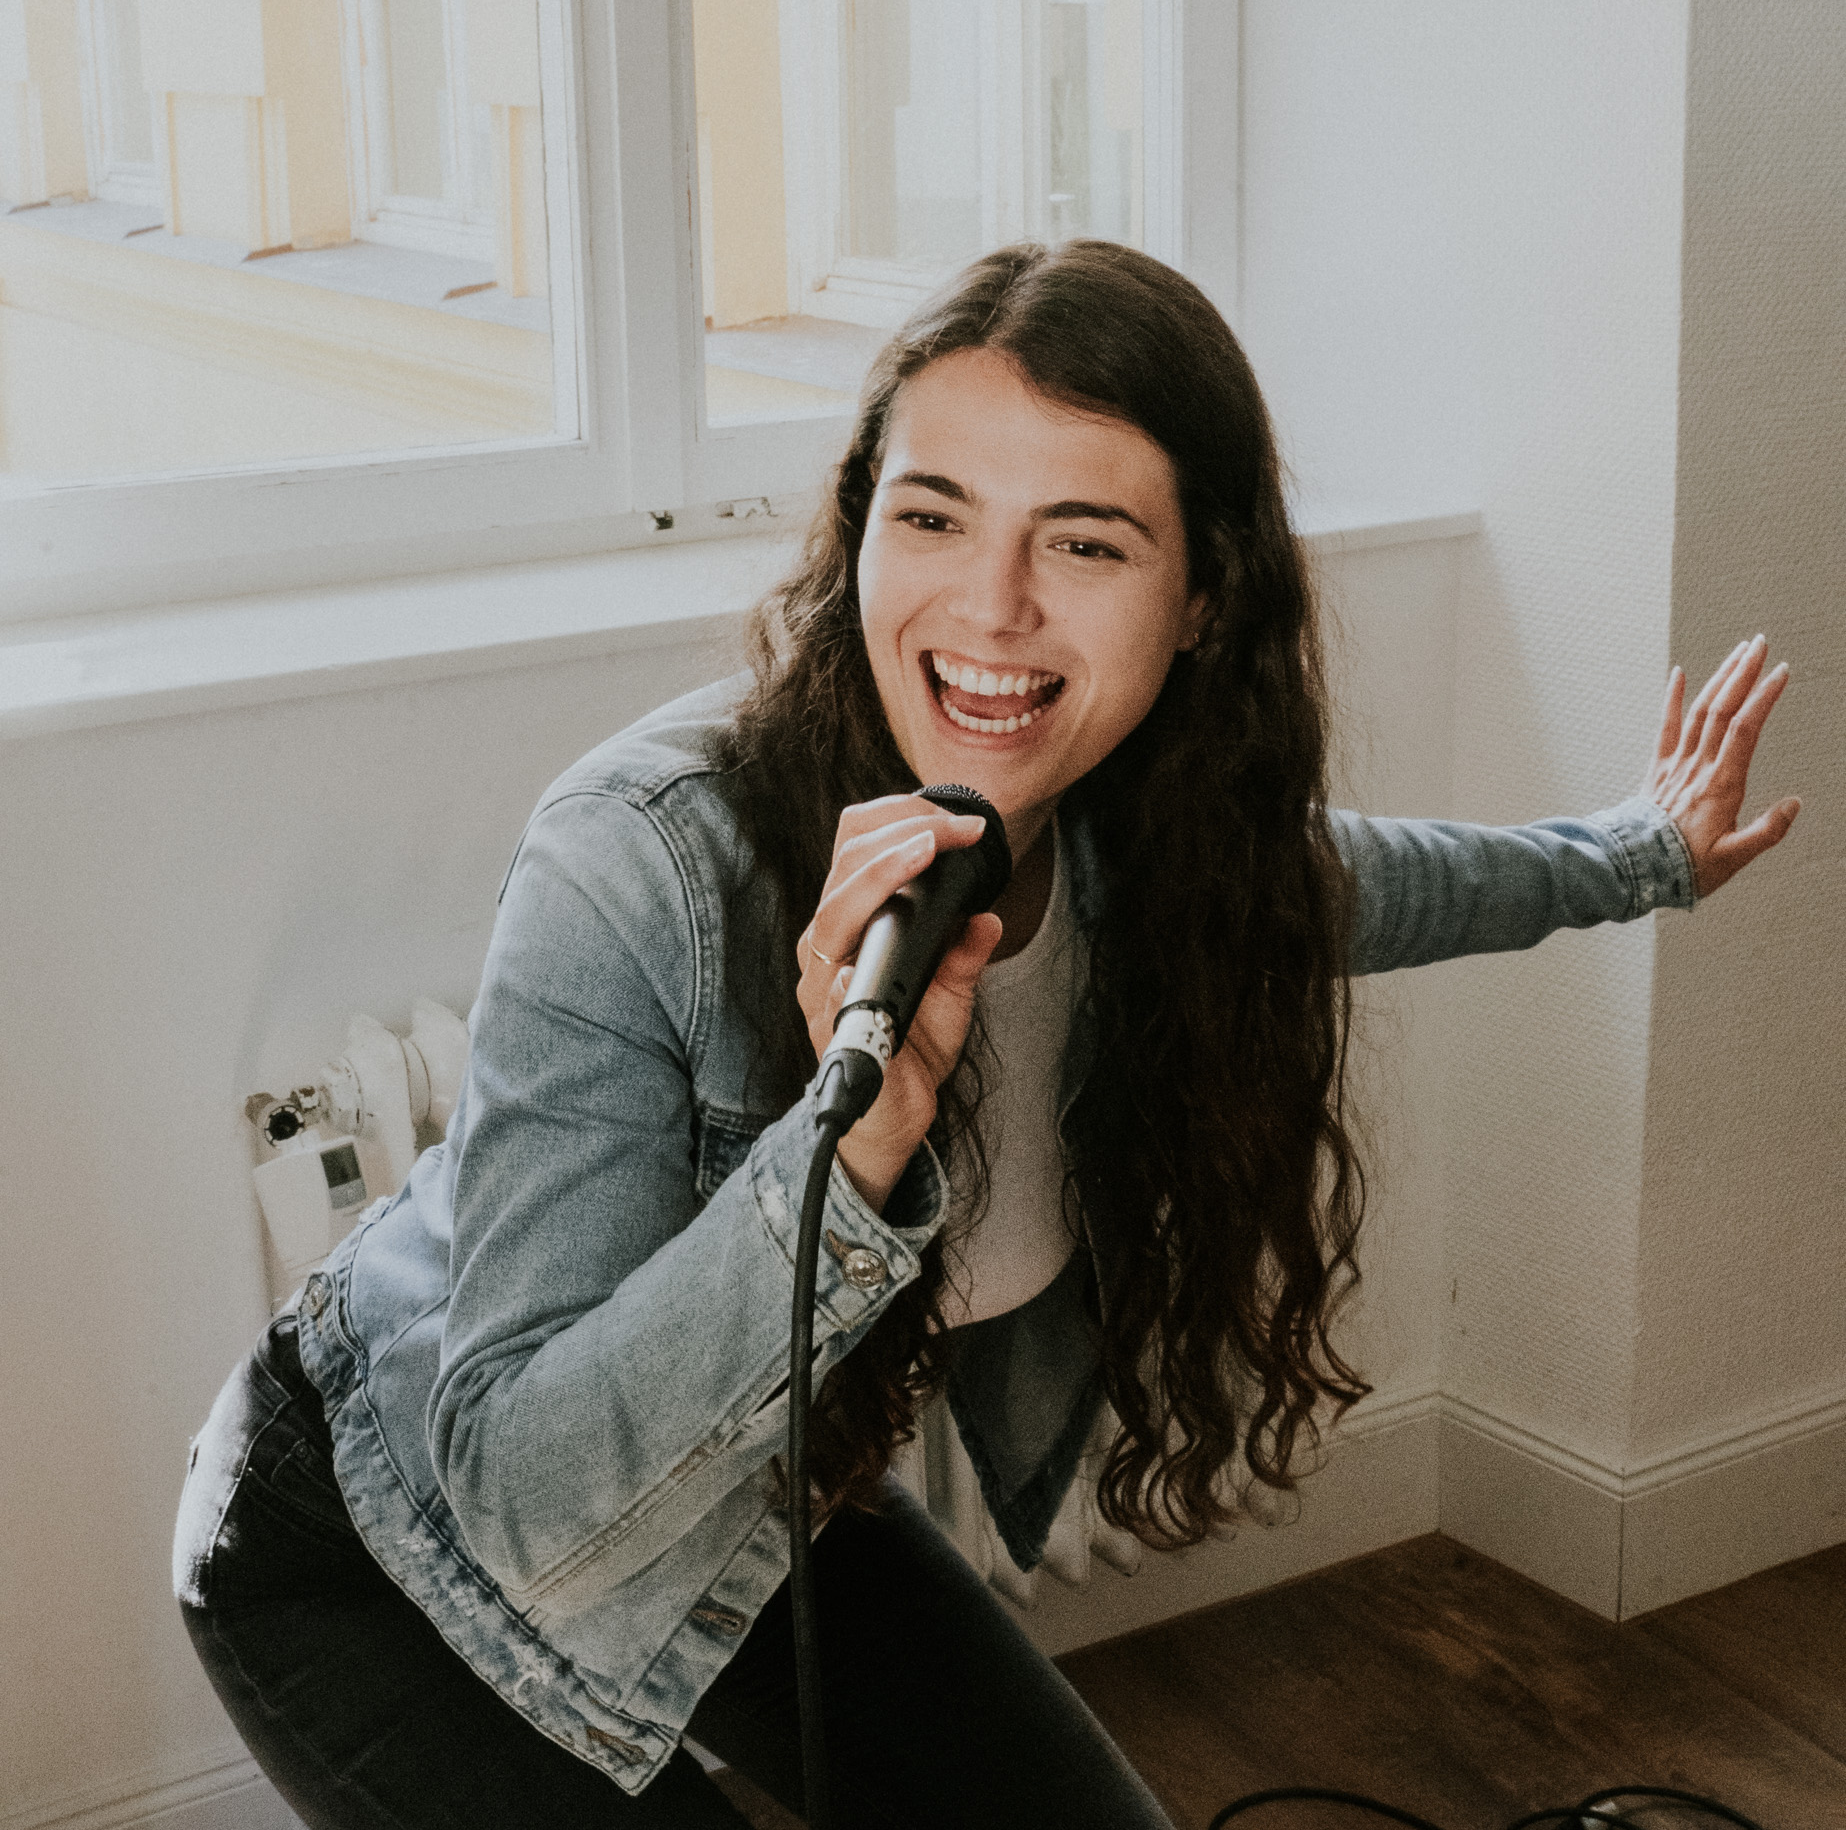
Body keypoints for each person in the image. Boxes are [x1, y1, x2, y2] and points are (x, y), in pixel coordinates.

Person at [174, 241, 1799, 1829]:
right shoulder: (644, 858)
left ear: (1205, 597)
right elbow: (527, 1500)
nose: (992, 608)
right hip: (372, 1539)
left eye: (1084, 543)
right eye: (933, 515)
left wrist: (1643, 855)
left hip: (756, 1494)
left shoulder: (1149, 851)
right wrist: (844, 1139)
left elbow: (1380, 884)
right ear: (856, 535)